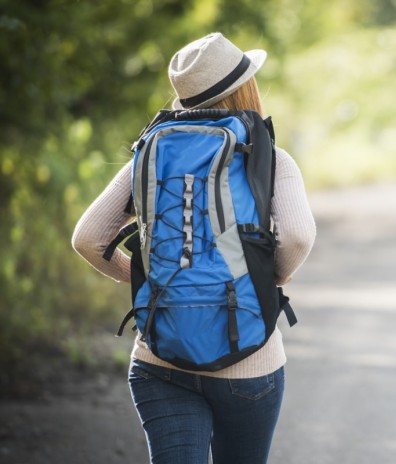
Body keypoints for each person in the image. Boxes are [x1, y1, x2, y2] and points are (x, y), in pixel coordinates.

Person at [72, 32, 316, 464]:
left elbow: (88, 238)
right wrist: (268, 276)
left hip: (158, 356)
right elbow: (298, 236)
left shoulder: (149, 154)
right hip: (248, 360)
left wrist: (149, 277)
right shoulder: (268, 156)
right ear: (245, 88)